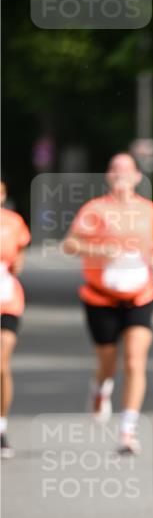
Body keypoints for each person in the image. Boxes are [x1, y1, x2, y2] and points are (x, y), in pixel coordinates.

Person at [62, 153, 153, 454]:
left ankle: (127, 431)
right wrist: (99, 248)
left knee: (134, 360)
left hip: (140, 294)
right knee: (107, 362)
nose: (120, 175)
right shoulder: (95, 209)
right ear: (108, 176)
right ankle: (100, 389)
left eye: (126, 170)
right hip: (100, 296)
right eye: (114, 169)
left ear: (136, 177)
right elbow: (69, 244)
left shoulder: (149, 210)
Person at [0, 180, 31, 459]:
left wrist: (18, 261)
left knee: (1, 363)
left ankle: (1, 428)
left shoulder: (13, 222)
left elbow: (20, 253)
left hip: (7, 300)